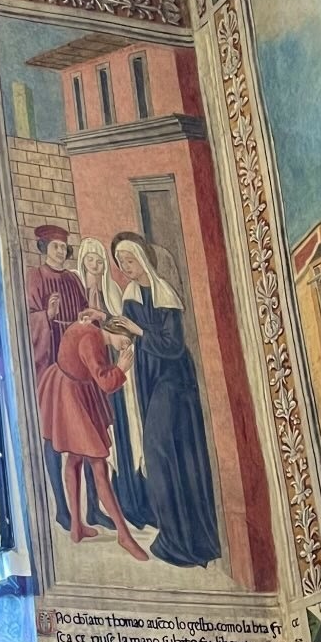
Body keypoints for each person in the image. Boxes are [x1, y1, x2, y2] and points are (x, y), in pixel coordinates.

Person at [110, 233, 221, 569]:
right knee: (162, 455)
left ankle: (188, 537)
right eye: (121, 262)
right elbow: (131, 339)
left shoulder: (165, 295)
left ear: (143, 259)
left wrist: (139, 331)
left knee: (165, 451)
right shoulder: (130, 298)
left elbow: (173, 346)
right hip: (150, 380)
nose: (126, 267)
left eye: (129, 260)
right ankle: (174, 533)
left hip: (175, 382)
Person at [36, 308, 150, 560]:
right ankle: (124, 535)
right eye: (126, 341)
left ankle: (76, 528)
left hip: (73, 390)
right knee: (98, 466)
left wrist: (101, 315)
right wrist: (121, 368)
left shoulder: (94, 330)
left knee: (75, 459)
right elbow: (106, 383)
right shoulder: (91, 340)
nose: (125, 347)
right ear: (115, 331)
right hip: (70, 395)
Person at [25, 226, 100, 531]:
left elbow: (85, 314)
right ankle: (62, 509)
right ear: (44, 248)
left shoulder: (72, 279)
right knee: (54, 435)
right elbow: (28, 321)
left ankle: (94, 507)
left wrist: (87, 318)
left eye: (63, 247)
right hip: (53, 363)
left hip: (78, 362)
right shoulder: (36, 277)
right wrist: (48, 315)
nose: (60, 251)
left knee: (89, 431)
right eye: (55, 246)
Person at [76, 236, 152, 530]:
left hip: (115, 374)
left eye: (99, 260)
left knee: (125, 435)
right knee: (96, 441)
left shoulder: (113, 292)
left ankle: (132, 500)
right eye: (90, 260)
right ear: (82, 263)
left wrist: (105, 316)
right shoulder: (77, 295)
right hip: (92, 379)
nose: (95, 265)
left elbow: (123, 328)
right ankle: (100, 506)